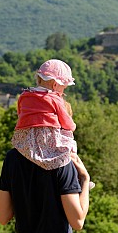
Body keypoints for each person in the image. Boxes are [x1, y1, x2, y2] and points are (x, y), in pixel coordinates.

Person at [11, 59, 94, 188]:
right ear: (55, 85)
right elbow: (67, 123)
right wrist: (73, 126)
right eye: (64, 88)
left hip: (25, 139)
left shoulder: (24, 96)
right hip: (47, 139)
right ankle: (78, 179)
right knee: (70, 146)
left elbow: (20, 114)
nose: (63, 91)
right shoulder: (54, 99)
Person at [0, 150, 91, 233]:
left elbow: (2, 217)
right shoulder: (62, 159)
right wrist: (85, 180)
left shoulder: (12, 158)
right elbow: (77, 222)